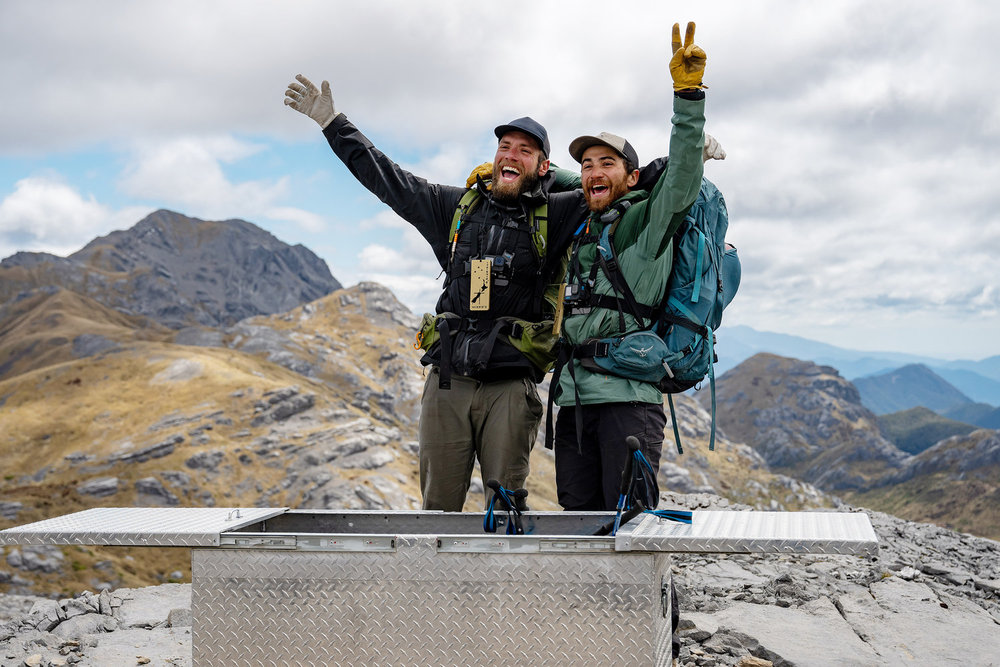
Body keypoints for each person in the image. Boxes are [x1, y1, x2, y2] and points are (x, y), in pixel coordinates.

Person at [283, 77, 590, 511]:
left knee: (504, 514)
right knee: (437, 513)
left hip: (510, 387)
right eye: (504, 146)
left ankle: (500, 582)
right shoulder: (454, 207)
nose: (510, 154)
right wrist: (333, 123)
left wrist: (550, 175)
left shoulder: (554, 214)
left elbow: (606, 185)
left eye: (525, 150)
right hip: (449, 381)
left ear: (543, 167)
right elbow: (387, 179)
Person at [550, 22, 711, 512]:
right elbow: (557, 180)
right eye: (586, 165)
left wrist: (688, 98)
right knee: (577, 529)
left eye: (607, 163)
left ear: (632, 176)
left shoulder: (645, 224)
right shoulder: (585, 226)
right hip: (575, 403)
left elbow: (681, 181)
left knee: (631, 530)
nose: (593, 172)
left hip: (627, 403)